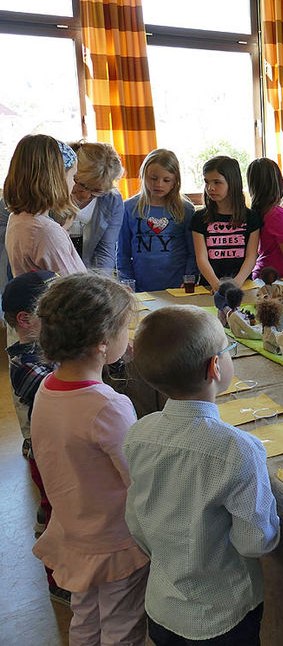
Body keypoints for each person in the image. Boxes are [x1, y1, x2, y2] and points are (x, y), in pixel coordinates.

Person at [124, 305, 280, 645]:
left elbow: (136, 519)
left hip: (163, 606)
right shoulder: (238, 449)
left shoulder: (138, 433)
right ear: (215, 366)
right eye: (228, 350)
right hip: (223, 615)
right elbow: (255, 541)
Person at [31, 273, 149, 645]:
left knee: (85, 616)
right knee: (123, 625)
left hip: (75, 528)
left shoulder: (47, 388)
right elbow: (138, 478)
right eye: (124, 329)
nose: (127, 337)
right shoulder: (109, 405)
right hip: (113, 538)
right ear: (103, 343)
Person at [2, 270, 68, 604]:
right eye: (55, 311)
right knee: (60, 515)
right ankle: (58, 580)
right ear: (26, 320)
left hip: (57, 451)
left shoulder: (44, 348)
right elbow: (64, 393)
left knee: (54, 504)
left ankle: (46, 512)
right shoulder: (24, 363)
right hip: (46, 455)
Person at [4, 135, 85, 276]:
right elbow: (76, 288)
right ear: (57, 178)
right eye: (72, 177)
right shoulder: (46, 230)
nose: (73, 184)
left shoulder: (17, 218)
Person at [118, 149, 197, 292]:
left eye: (166, 180)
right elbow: (123, 253)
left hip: (177, 287)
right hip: (141, 289)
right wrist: (126, 282)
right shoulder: (128, 208)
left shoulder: (186, 209)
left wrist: (189, 278)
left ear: (175, 181)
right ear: (143, 176)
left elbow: (193, 251)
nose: (159, 184)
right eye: (153, 178)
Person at [191, 156, 262, 290]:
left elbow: (251, 256)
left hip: (243, 286)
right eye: (207, 182)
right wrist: (216, 285)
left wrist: (236, 283)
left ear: (232, 182)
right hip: (210, 287)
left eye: (217, 182)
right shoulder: (199, 217)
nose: (210, 188)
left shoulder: (251, 217)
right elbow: (201, 258)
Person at [67, 142, 125, 273]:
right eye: (82, 185)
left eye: (96, 192)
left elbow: (105, 251)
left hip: (87, 272)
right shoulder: (54, 194)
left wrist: (100, 286)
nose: (86, 195)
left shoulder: (112, 200)